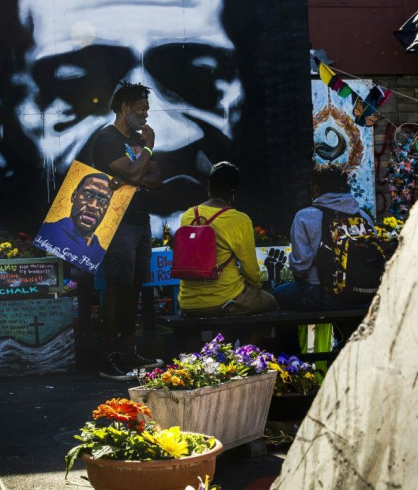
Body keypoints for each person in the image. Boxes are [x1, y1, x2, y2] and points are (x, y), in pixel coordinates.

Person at [0, 0, 244, 236]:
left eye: (198, 75)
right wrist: (145, 156)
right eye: (72, 81)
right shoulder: (108, 139)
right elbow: (133, 174)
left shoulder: (131, 139)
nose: (167, 133)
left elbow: (146, 179)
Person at [91, 81, 164, 380]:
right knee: (116, 290)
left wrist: (135, 176)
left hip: (140, 222)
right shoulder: (108, 138)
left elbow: (157, 177)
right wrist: (146, 151)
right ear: (125, 107)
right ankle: (108, 358)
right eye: (141, 108)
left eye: (146, 108)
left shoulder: (136, 139)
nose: (146, 114)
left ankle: (127, 350)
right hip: (118, 222)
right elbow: (138, 170)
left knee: (133, 288)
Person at [178, 161, 278, 316]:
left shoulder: (188, 215)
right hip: (225, 299)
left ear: (209, 185)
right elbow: (250, 270)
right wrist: (257, 286)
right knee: (271, 303)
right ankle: (243, 341)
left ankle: (221, 340)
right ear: (234, 190)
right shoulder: (239, 220)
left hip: (187, 301)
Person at [273, 165, 377, 312]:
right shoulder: (363, 216)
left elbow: (301, 266)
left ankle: (291, 336)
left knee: (278, 294)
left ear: (317, 188)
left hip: (326, 296)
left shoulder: (305, 216)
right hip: (367, 296)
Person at [34, 173, 113, 273]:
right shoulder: (47, 232)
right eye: (88, 195)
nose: (93, 206)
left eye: (103, 200)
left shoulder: (100, 253)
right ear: (74, 196)